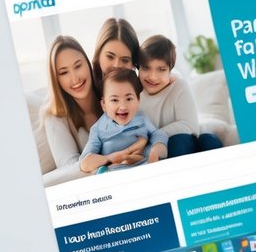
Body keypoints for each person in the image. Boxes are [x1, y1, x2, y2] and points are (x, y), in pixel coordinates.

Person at [42, 35, 144, 176]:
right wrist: (110, 159)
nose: (75, 78)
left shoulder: (109, 90)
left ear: (87, 63)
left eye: (78, 66)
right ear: (56, 79)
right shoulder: (54, 117)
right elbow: (69, 168)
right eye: (64, 72)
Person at [137, 35, 223, 157]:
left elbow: (190, 126)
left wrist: (156, 134)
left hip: (187, 143)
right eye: (146, 68)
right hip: (157, 149)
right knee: (177, 142)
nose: (153, 76)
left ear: (170, 70)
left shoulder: (178, 86)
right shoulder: (132, 94)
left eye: (161, 69)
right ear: (138, 67)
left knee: (210, 140)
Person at [81, 68, 167, 173]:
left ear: (138, 100)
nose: (123, 107)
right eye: (114, 100)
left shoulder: (141, 118)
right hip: (114, 172)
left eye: (129, 99)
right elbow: (85, 162)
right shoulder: (98, 128)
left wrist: (158, 147)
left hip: (144, 166)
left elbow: (157, 133)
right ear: (104, 104)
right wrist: (112, 157)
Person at [92, 18, 141, 92]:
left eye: (125, 60)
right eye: (110, 57)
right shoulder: (87, 89)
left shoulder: (141, 92)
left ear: (133, 63)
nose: (117, 65)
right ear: (98, 54)